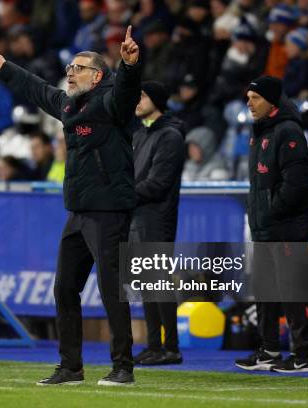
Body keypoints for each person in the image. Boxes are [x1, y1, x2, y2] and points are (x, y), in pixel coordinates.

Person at [0, 25, 141, 386]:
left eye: (78, 68)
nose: (70, 72)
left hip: (109, 209)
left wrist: (130, 66)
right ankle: (71, 367)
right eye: (69, 68)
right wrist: (7, 67)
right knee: (64, 288)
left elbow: (126, 91)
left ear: (98, 75)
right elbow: (39, 91)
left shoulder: (110, 102)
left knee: (110, 287)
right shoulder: (71, 104)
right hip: (79, 210)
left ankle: (123, 367)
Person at [235, 76, 308, 373]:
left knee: (291, 292)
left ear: (271, 101)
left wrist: (270, 212)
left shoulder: (289, 131)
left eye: (255, 97)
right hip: (266, 227)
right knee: (265, 290)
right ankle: (268, 349)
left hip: (287, 228)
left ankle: (302, 356)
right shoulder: (260, 132)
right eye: (248, 97)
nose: (249, 103)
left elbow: (296, 185)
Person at [130, 81, 186, 366]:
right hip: (137, 217)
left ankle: (171, 347)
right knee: (145, 284)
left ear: (158, 100)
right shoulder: (141, 134)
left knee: (158, 284)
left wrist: (122, 194)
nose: (136, 100)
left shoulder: (170, 136)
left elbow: (158, 184)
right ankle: (154, 345)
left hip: (157, 218)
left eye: (142, 95)